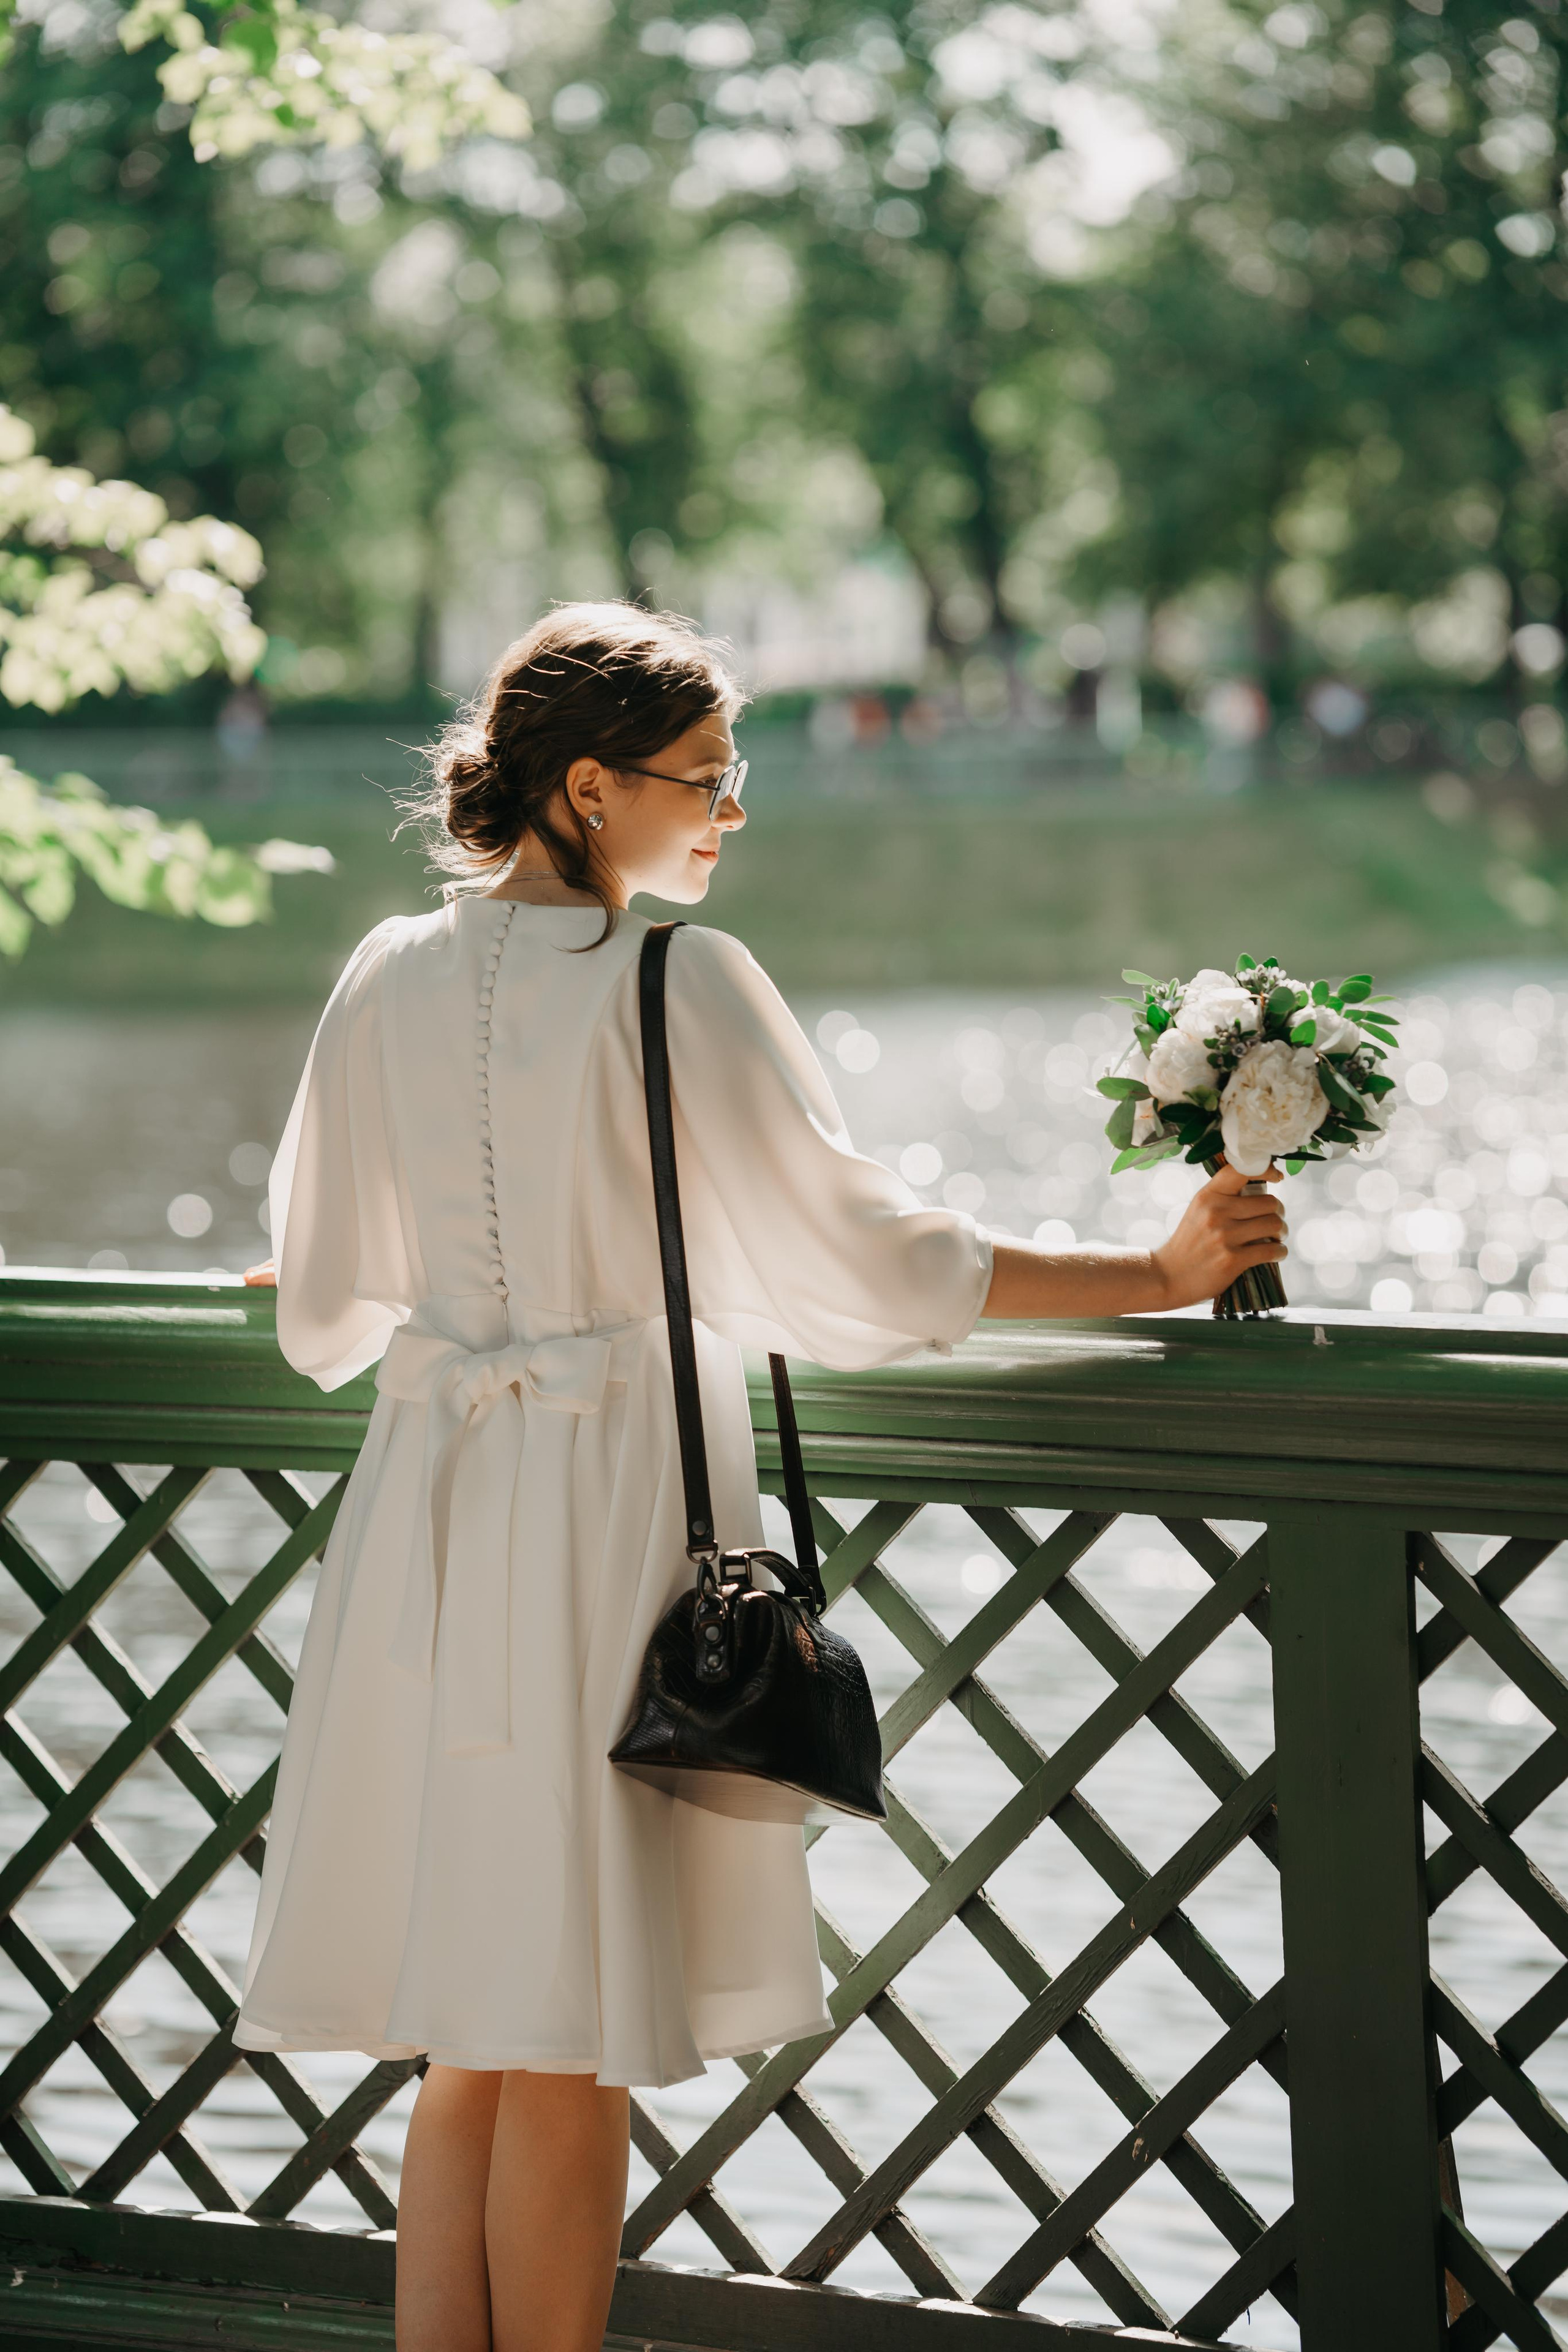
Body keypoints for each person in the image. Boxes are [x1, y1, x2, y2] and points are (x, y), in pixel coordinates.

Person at [238, 602, 1285, 2352]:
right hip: (596, 1521)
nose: (732, 814)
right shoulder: (675, 978)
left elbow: (323, 1312)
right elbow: (870, 1262)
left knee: (478, 2032)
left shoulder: (380, 972)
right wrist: (1153, 1279)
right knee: (567, 2029)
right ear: (590, 788)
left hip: (426, 1525)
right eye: (705, 781)